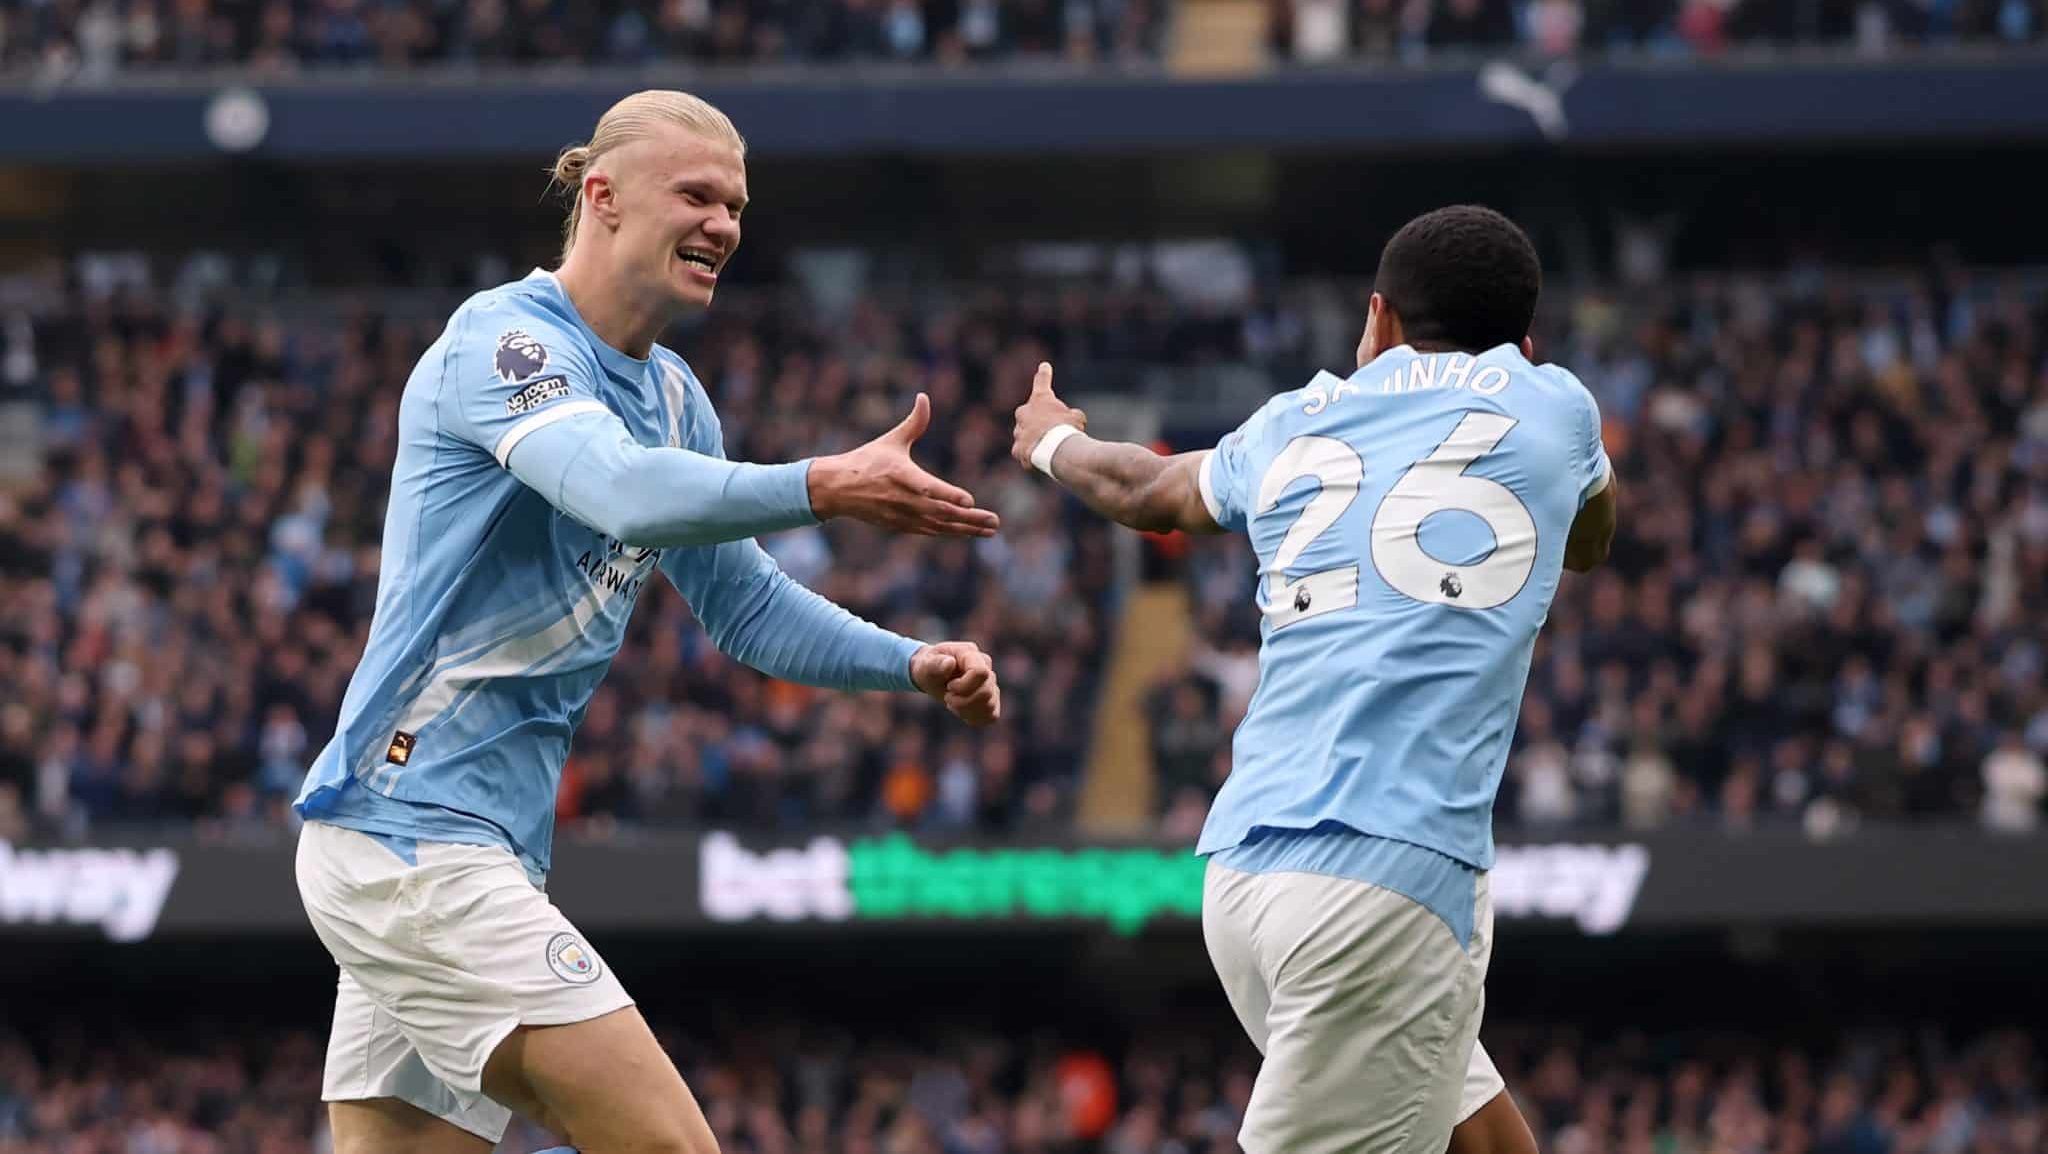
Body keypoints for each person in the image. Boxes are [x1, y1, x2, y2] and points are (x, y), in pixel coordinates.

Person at [293, 89, 1003, 1154]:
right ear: (603, 197)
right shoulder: (503, 342)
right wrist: (822, 481)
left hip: (470, 851)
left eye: (737, 205)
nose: (723, 223)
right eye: (697, 194)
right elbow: (616, 490)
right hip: (411, 839)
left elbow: (748, 607)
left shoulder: (673, 397)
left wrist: (911, 662)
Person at [1011, 204, 1616, 1154]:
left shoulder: (1297, 418)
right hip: (1387, 885)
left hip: (1247, 875)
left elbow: (1146, 488)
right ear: (1527, 342)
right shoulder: (1558, 405)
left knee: (1490, 1144)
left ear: (1377, 319)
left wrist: (1052, 441)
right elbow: (1591, 537)